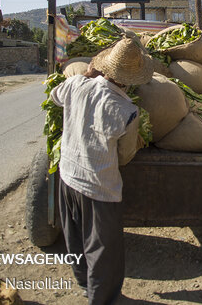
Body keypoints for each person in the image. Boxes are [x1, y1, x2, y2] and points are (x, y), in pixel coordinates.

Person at [50, 37, 153, 304]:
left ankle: (85, 286)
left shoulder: (74, 84)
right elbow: (124, 155)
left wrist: (85, 76)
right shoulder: (127, 110)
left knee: (75, 240)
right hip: (99, 188)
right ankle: (102, 299)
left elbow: (54, 97)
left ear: (103, 68)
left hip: (68, 176)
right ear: (129, 80)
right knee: (103, 252)